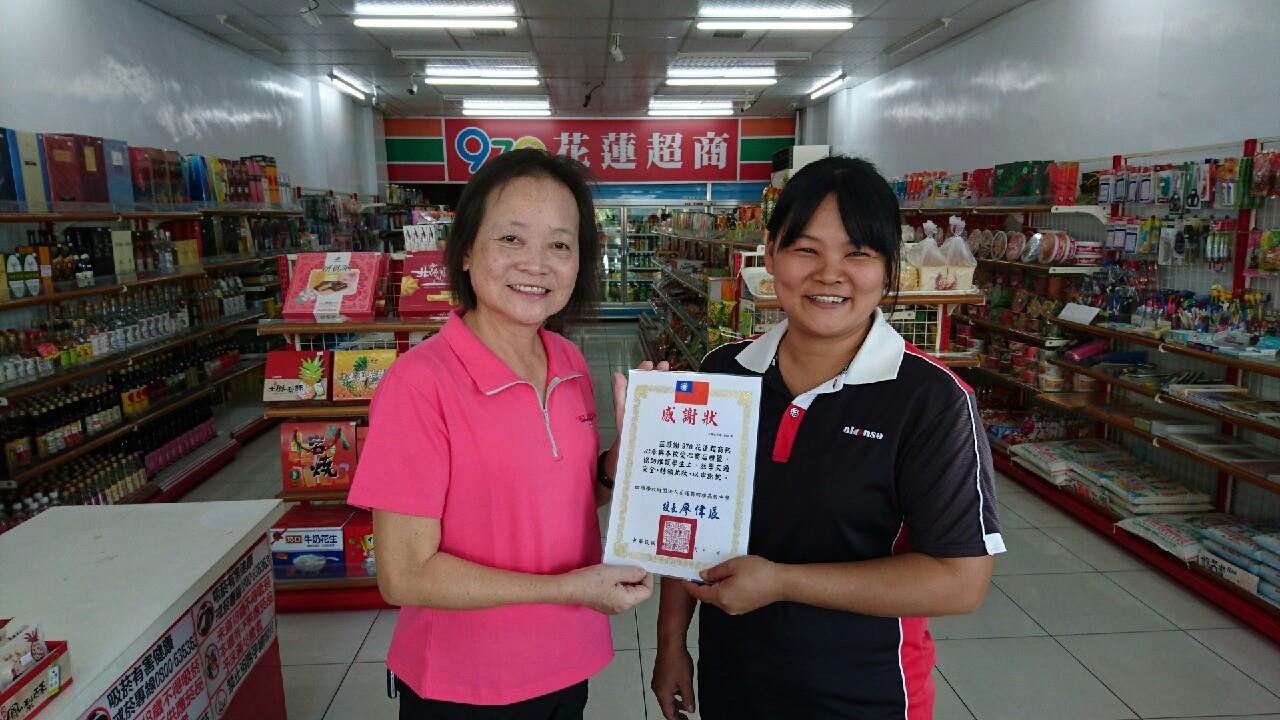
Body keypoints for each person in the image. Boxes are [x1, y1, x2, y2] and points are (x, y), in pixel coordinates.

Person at [650, 156, 1005, 720]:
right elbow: (685, 518)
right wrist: (671, 643)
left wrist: (782, 583)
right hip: (735, 678)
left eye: (857, 254)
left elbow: (960, 582)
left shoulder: (930, 400)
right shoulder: (724, 373)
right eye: (806, 249)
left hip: (865, 693)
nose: (829, 274)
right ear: (771, 255)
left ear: (889, 268)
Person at [348, 148, 654, 719]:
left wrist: (627, 460)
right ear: (466, 250)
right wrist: (569, 589)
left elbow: (562, 496)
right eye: (511, 239)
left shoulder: (567, 361)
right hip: (467, 683)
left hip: (567, 660)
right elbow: (404, 574)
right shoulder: (419, 384)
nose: (536, 264)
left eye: (560, 245)